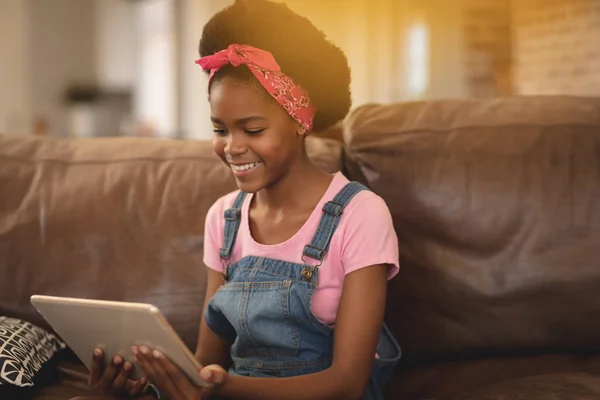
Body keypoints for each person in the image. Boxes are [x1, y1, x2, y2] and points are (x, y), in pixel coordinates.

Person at [73, 0, 400, 399]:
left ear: (300, 121)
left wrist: (224, 389)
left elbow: (347, 384)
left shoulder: (360, 213)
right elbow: (207, 361)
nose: (232, 147)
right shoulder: (223, 218)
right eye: (220, 129)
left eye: (252, 129)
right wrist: (150, 383)